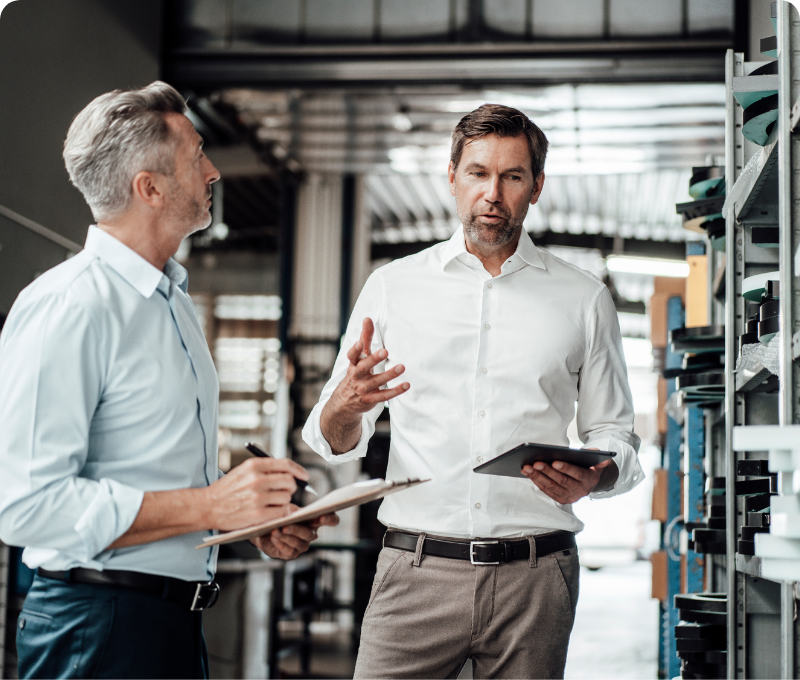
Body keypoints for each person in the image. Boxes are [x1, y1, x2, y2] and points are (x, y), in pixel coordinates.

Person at [0, 81, 337, 680]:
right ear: (149, 188)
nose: (213, 171)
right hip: (96, 628)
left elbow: (154, 476)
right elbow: (27, 506)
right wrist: (211, 504)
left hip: (171, 624)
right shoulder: (69, 305)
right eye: (196, 155)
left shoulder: (173, 303)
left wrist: (244, 517)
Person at [303, 103, 644, 679]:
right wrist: (345, 404)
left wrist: (598, 474)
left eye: (512, 177)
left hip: (536, 578)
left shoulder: (584, 299)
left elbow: (614, 433)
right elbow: (332, 440)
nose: (493, 194)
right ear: (452, 179)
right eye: (478, 173)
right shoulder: (392, 288)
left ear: (536, 187)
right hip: (415, 574)